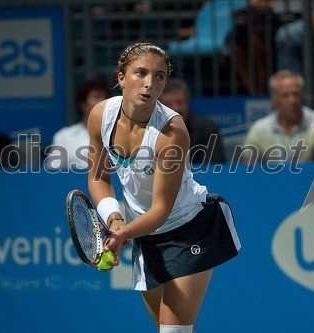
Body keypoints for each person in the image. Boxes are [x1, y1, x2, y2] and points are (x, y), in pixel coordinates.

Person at [87, 42, 240, 332]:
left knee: (174, 331)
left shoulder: (171, 131)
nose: (149, 84)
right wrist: (115, 219)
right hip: (145, 236)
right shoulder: (100, 115)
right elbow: (98, 178)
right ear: (121, 77)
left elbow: (160, 209)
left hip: (189, 228)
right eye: (140, 73)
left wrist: (122, 235)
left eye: (159, 76)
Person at [243, 70, 314, 163]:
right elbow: (248, 170)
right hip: (271, 177)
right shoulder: (259, 129)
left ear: (302, 95)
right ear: (273, 99)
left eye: (296, 94)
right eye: (285, 95)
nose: (292, 101)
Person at [47, 79, 111, 170]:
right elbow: (52, 172)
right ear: (82, 104)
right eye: (96, 97)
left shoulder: (119, 134)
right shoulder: (64, 136)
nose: (103, 102)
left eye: (106, 98)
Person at [159, 77, 225, 165]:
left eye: (180, 102)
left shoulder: (206, 128)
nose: (176, 108)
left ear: (188, 102)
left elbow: (213, 167)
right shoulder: (151, 129)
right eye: (168, 104)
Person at [228, 0, 283, 94]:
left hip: (274, 19)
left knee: (256, 41)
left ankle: (262, 88)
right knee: (233, 40)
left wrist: (267, 4)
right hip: (252, 19)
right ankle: (252, 90)